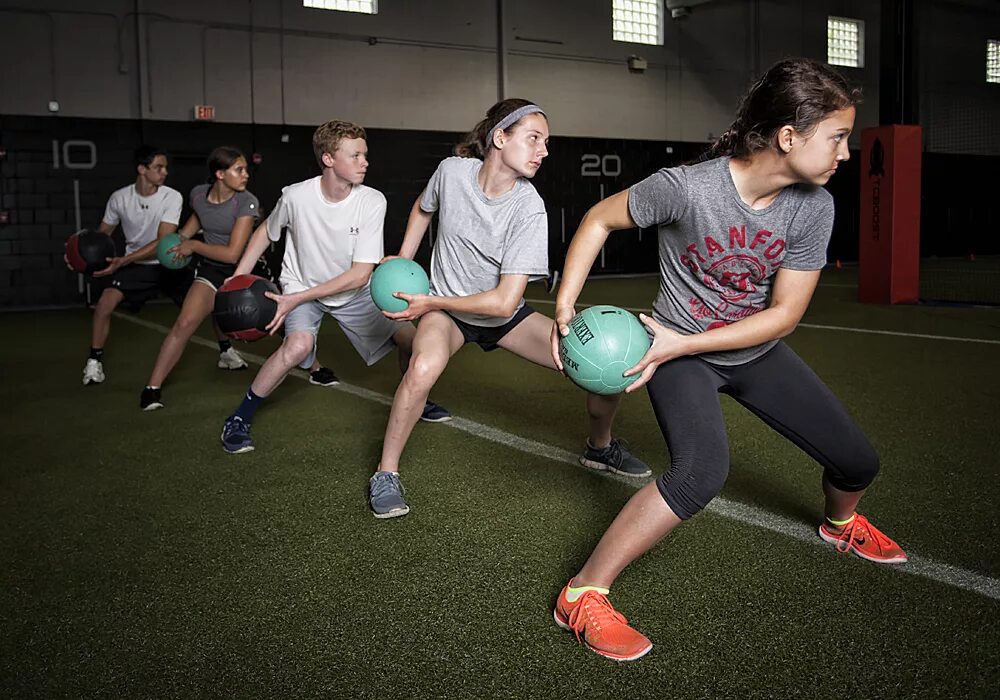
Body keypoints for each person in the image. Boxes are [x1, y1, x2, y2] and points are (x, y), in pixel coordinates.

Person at [549, 58, 907, 662]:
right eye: (838, 137)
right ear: (789, 137)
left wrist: (680, 344)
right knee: (701, 471)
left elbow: (785, 314)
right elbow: (597, 219)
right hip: (679, 351)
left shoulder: (813, 208)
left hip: (738, 348)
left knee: (857, 462)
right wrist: (565, 308)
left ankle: (840, 524)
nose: (846, 154)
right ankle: (582, 594)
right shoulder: (687, 188)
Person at [369, 99, 651, 520]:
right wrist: (404, 261)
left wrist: (430, 300)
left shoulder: (529, 206)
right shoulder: (450, 172)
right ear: (500, 138)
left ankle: (600, 448)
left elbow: (503, 302)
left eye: (546, 142)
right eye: (534, 139)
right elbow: (422, 208)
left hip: (502, 317)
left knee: (604, 366)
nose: (544, 151)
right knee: (424, 368)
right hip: (448, 317)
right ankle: (385, 473)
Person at [218, 120, 450, 455]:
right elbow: (265, 232)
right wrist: (238, 277)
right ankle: (239, 418)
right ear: (328, 159)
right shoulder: (296, 196)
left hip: (350, 293)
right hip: (303, 285)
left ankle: (418, 399)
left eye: (364, 155)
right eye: (355, 155)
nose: (364, 162)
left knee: (416, 343)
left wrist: (296, 298)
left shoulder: (372, 201)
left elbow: (359, 275)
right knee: (297, 347)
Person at [78, 146, 244, 386]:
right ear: (142, 169)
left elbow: (163, 242)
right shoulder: (120, 198)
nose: (164, 172)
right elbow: (103, 235)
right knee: (104, 304)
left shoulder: (171, 196)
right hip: (137, 266)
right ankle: (94, 363)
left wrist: (122, 261)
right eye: (158, 167)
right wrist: (82, 249)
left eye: (166, 167)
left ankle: (226, 351)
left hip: (170, 262)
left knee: (212, 302)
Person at [139, 146, 258, 410]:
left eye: (246, 169)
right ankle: (152, 388)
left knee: (283, 327)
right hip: (212, 270)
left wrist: (193, 246)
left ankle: (315, 368)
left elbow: (232, 254)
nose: (245, 175)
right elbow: (189, 229)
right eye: (239, 170)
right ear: (219, 174)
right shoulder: (198, 195)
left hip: (244, 270)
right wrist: (176, 245)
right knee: (184, 323)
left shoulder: (246, 202)